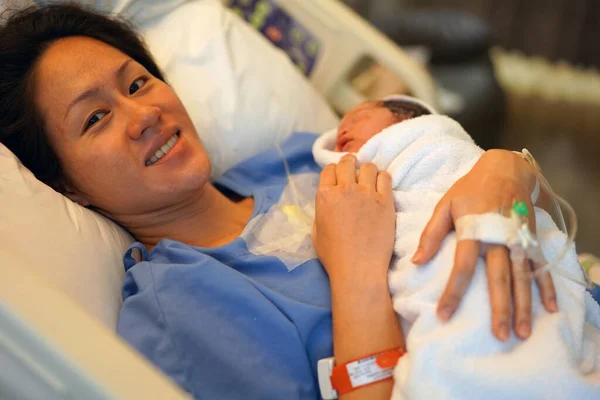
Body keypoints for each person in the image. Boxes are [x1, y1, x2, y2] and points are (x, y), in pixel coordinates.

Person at [0, 4, 557, 400]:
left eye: (138, 84)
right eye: (95, 118)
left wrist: (507, 169)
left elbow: (456, 175)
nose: (142, 115)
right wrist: (357, 273)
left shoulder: (297, 157)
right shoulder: (177, 316)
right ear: (65, 183)